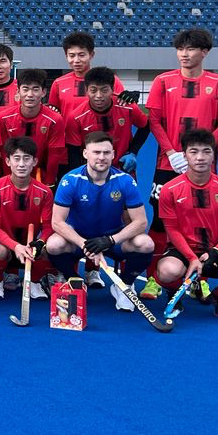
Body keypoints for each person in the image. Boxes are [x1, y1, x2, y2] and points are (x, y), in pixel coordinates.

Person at [143, 28, 218, 297]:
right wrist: (172, 152)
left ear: (204, 52)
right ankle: (153, 278)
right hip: (167, 164)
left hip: (202, 167)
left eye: (191, 49)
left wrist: (197, 152)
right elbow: (154, 121)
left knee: (202, 224)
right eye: (180, 49)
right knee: (160, 221)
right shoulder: (162, 81)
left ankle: (199, 278)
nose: (184, 54)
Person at [154, 128, 218, 318]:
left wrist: (216, 251)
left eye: (206, 151)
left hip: (216, 251)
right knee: (166, 272)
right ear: (184, 155)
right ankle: (174, 294)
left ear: (213, 155)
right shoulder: (170, 189)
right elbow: (171, 229)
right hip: (182, 252)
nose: (200, 157)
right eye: (194, 151)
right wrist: (191, 257)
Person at [46, 131, 155, 307]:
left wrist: (110, 240)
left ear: (113, 154)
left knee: (145, 243)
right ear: (85, 153)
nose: (101, 157)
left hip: (112, 239)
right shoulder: (70, 180)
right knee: (53, 244)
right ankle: (74, 280)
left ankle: (124, 285)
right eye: (96, 152)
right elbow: (57, 222)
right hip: (79, 240)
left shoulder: (125, 180)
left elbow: (141, 222)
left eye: (106, 153)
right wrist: (85, 244)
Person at [0, 136, 54, 301]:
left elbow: (49, 227)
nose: (21, 164)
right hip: (7, 246)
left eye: (26, 158)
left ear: (34, 161)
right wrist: (15, 246)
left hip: (30, 246)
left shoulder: (45, 192)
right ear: (8, 161)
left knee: (48, 246)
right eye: (17, 158)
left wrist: (40, 242)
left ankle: (35, 283)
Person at [65, 67, 149, 174]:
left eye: (104, 90)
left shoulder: (128, 107)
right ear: (86, 90)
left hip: (122, 169)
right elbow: (74, 153)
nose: (99, 96)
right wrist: (81, 177)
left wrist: (132, 152)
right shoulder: (76, 117)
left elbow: (146, 126)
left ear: (113, 89)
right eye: (93, 90)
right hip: (91, 172)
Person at [0, 69, 67, 184]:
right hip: (12, 175)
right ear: (18, 92)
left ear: (44, 92)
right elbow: (5, 152)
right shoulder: (3, 118)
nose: (30, 95)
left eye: (35, 89)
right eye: (25, 89)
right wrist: (9, 181)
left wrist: (49, 184)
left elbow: (54, 155)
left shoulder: (55, 120)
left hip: (41, 175)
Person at [49, 31, 127, 124]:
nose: (76, 60)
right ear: (66, 56)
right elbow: (53, 115)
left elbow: (122, 107)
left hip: (101, 133)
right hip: (70, 133)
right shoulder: (58, 83)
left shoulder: (110, 80)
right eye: (72, 55)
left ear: (91, 54)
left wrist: (128, 98)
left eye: (81, 55)